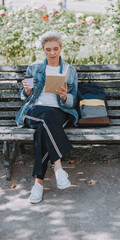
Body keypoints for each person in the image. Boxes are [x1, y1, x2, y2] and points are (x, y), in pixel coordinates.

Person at [16, 31, 78, 204]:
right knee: (46, 117)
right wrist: (27, 90)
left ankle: (38, 184)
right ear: (43, 49)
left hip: (59, 112)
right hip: (34, 111)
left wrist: (65, 96)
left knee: (44, 127)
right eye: (48, 49)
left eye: (55, 49)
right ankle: (58, 167)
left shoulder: (69, 71)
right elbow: (24, 96)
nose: (52, 53)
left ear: (61, 48)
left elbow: (73, 102)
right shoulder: (34, 68)